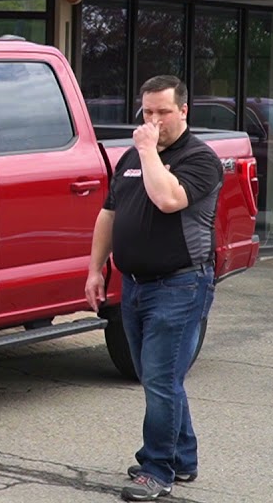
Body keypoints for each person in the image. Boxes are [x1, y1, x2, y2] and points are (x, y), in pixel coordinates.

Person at [84, 75, 222, 502]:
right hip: (136, 285)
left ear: (184, 111)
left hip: (181, 284)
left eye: (163, 111)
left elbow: (167, 200)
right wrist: (95, 270)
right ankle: (183, 457)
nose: (154, 120)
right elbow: (109, 214)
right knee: (155, 376)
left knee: (161, 379)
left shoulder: (200, 160)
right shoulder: (129, 157)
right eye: (147, 112)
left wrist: (147, 150)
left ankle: (156, 469)